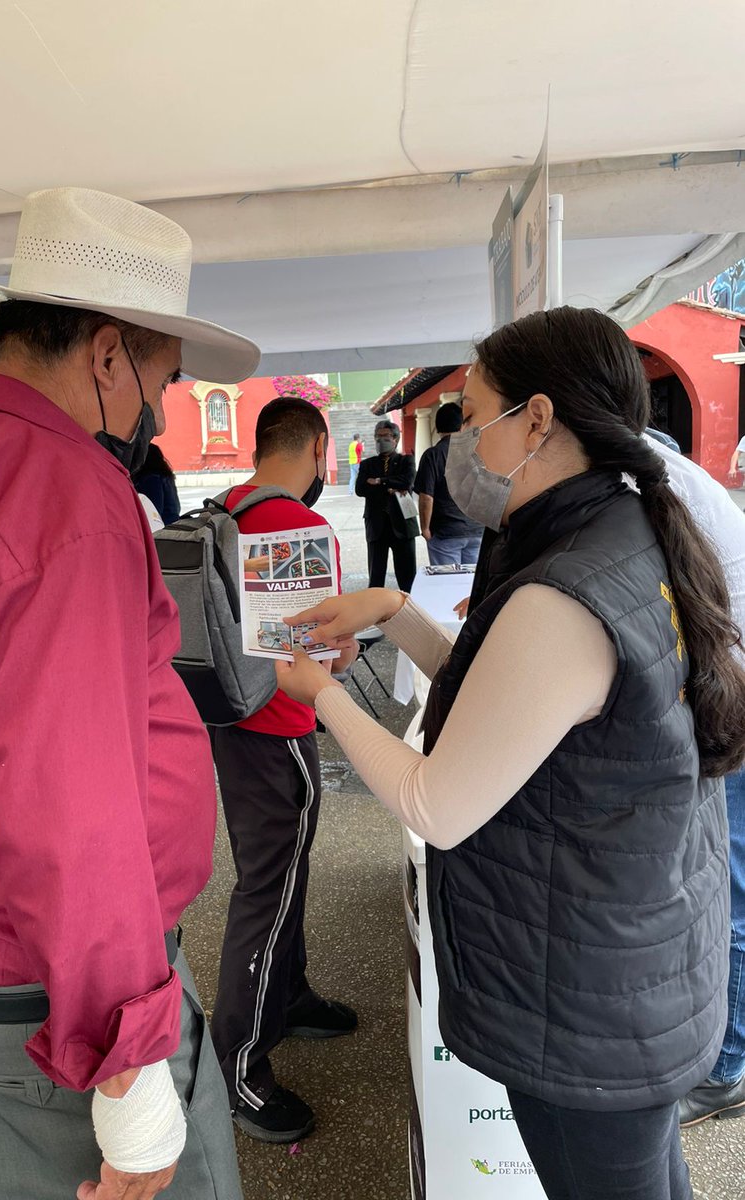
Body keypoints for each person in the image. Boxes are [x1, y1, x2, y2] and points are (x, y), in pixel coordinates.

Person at [0, 187, 261, 1200]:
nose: (160, 412)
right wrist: (130, 1079)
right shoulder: (66, 495)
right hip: (57, 1006)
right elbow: (74, 812)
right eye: (161, 379)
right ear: (107, 353)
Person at [276, 307, 745, 1200]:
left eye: (472, 416)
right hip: (629, 966)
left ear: (536, 419)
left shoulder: (566, 589)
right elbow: (514, 709)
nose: (461, 446)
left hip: (587, 997)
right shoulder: (618, 528)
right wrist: (391, 610)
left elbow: (435, 803)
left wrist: (323, 695)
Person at [211, 397, 359, 1145]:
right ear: (316, 447)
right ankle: (238, 1065)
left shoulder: (221, 510)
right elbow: (320, 653)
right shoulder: (300, 528)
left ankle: (289, 995)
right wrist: (349, 645)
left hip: (233, 727)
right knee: (266, 893)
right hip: (279, 732)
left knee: (277, 876)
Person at [643, 436, 745, 1129]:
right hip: (719, 688)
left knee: (730, 889)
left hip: (732, 695)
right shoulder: (642, 466)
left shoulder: (632, 484)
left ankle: (727, 1068)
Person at [415, 403, 483, 566]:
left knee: (448, 584)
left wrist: (425, 529)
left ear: (437, 428)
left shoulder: (433, 455)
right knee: (472, 585)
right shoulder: (477, 453)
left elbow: (426, 497)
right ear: (462, 426)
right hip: (477, 529)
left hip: (446, 532)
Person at [355, 419, 417, 590]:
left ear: (395, 439)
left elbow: (407, 481)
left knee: (407, 577)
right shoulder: (367, 464)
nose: (380, 440)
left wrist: (379, 481)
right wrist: (391, 487)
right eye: (377, 436)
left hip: (402, 525)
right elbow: (360, 489)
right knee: (376, 577)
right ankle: (375, 612)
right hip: (376, 526)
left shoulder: (407, 461)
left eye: (386, 436)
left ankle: (410, 610)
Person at [132, 442, 182, 526]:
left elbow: (153, 510)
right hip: (172, 523)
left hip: (162, 527)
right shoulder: (166, 476)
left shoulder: (151, 479)